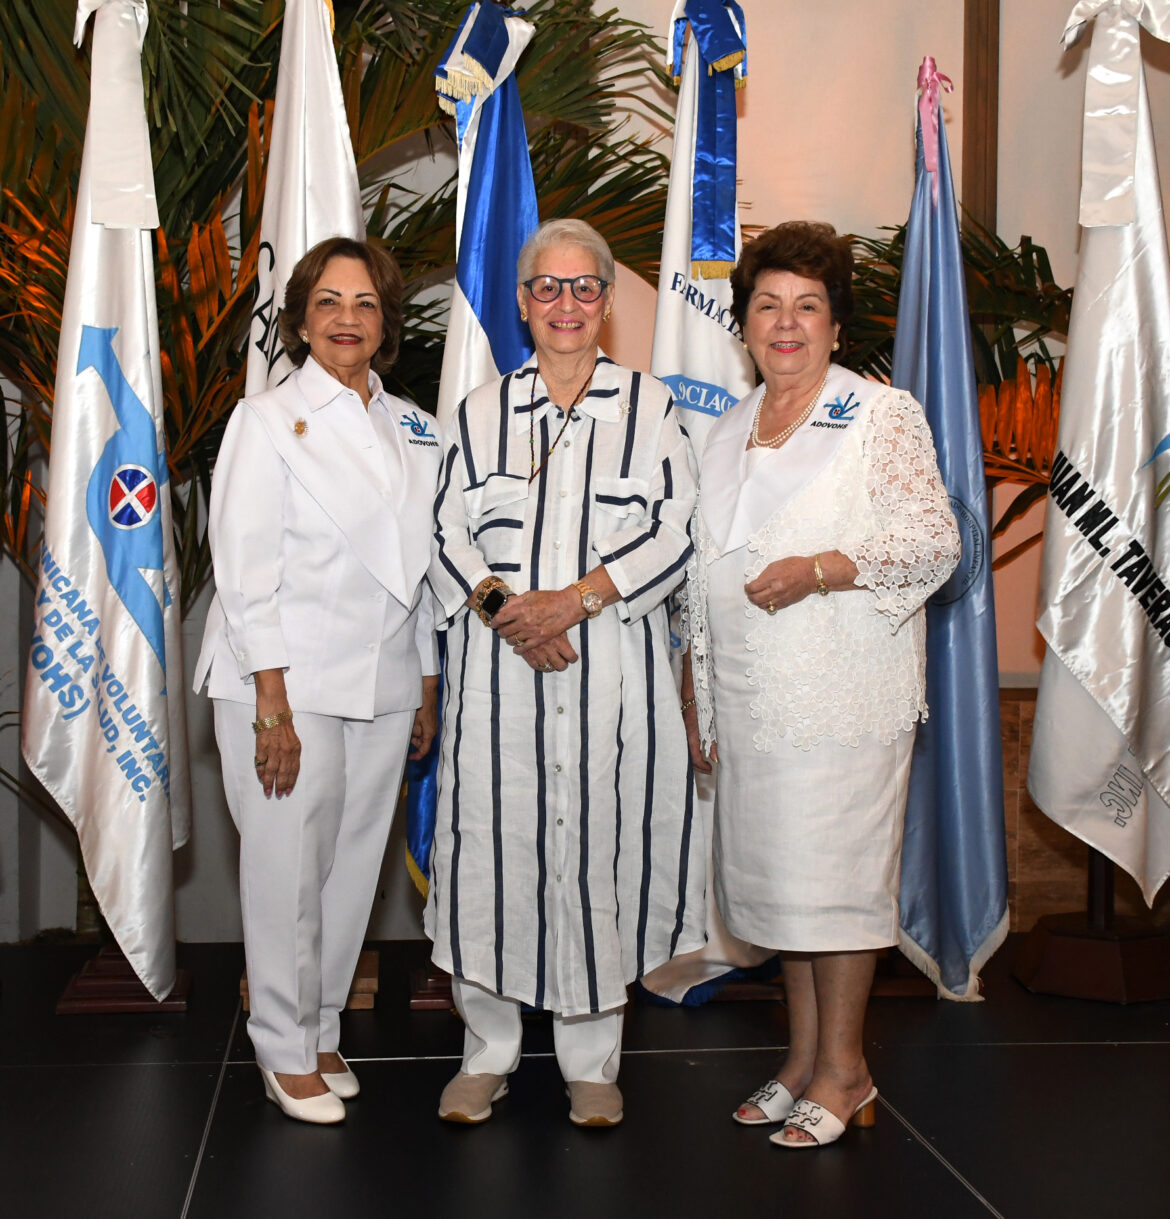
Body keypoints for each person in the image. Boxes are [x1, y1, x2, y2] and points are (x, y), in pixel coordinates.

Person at [682, 221, 959, 1149]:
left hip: (842, 696)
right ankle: (802, 1059)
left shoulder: (881, 415)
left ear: (837, 327)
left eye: (808, 307)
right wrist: (700, 697)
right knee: (782, 892)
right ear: (745, 323)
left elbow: (935, 542)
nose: (787, 324)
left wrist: (824, 566)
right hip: (753, 706)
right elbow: (699, 577)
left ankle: (848, 1069)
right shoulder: (721, 431)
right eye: (768, 305)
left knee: (835, 890)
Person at [427, 218, 705, 1128]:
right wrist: (512, 610)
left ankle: (593, 1062)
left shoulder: (652, 409)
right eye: (548, 287)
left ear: (609, 299)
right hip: (496, 678)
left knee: (598, 854)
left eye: (585, 288)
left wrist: (577, 600)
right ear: (521, 300)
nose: (567, 305)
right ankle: (487, 1053)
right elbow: (444, 531)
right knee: (490, 858)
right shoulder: (475, 412)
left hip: (608, 686)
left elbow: (679, 529)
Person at [194, 237, 442, 1124]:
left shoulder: (412, 424)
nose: (348, 318)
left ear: (386, 321)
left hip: (380, 682)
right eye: (329, 302)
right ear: (302, 319)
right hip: (283, 683)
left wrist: (425, 679)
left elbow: (422, 570)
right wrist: (271, 700)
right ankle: (281, 1044)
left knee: (350, 875)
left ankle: (323, 1024)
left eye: (366, 302)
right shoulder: (265, 422)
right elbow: (244, 566)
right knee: (285, 867)